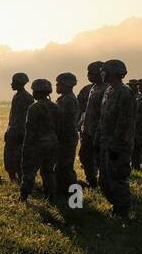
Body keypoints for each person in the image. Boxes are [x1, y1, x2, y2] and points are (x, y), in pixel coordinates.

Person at [97, 59, 135, 219]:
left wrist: (116, 145)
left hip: (119, 145)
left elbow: (124, 121)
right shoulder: (108, 91)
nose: (101, 74)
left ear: (112, 73)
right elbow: (103, 117)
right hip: (106, 143)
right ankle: (116, 206)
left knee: (117, 179)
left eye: (104, 71)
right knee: (104, 180)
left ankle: (122, 211)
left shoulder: (124, 92)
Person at [19, 79, 60, 202]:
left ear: (36, 91)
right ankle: (50, 196)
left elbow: (30, 130)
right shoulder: (55, 107)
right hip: (53, 143)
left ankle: (23, 196)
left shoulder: (34, 108)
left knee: (29, 171)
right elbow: (59, 127)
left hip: (37, 144)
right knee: (48, 171)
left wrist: (26, 148)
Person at [77, 61, 106, 187]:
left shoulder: (107, 89)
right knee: (84, 156)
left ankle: (104, 182)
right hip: (87, 130)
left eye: (91, 72)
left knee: (101, 159)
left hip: (100, 132)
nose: (88, 75)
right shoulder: (92, 88)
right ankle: (92, 181)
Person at [54, 72, 81, 203]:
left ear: (66, 85)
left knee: (66, 167)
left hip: (66, 137)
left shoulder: (68, 100)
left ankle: (76, 198)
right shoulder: (65, 98)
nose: (56, 86)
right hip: (64, 137)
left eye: (58, 84)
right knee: (61, 166)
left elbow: (64, 121)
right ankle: (63, 191)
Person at [4, 72, 31, 184]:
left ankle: (18, 178)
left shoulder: (26, 97)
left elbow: (23, 117)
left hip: (19, 131)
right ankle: (14, 178)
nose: (11, 84)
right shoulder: (18, 96)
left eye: (14, 82)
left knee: (17, 156)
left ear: (19, 83)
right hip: (13, 130)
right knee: (9, 155)